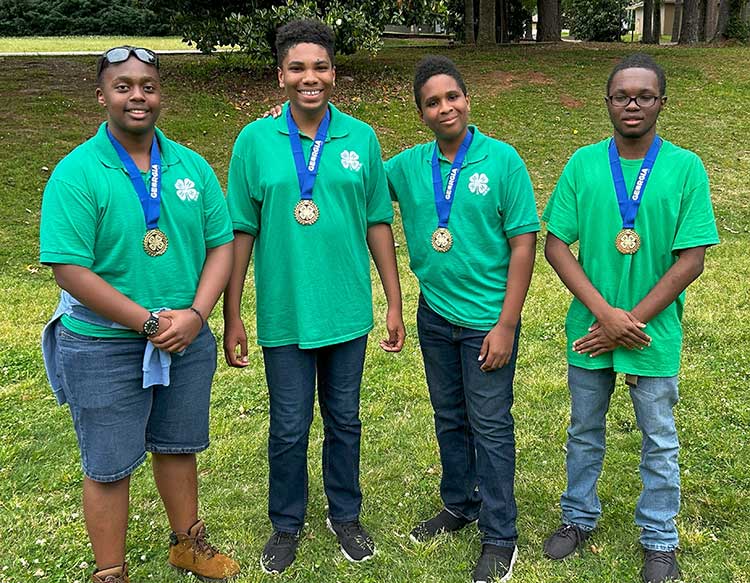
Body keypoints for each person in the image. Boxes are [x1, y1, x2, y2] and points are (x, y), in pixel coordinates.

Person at [39, 46, 240, 583]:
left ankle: (187, 545)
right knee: (107, 466)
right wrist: (147, 323)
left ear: (160, 95)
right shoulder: (79, 172)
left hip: (184, 336)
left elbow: (221, 244)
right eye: (123, 85)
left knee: (178, 446)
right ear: (102, 95)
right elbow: (69, 268)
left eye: (147, 86)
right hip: (103, 343)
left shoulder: (190, 166)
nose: (137, 96)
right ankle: (110, 572)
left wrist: (197, 316)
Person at [223, 20, 405, 575]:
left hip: (346, 309)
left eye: (320, 67)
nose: (311, 78)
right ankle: (286, 523)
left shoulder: (361, 139)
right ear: (281, 75)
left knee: (344, 420)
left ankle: (345, 515)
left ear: (333, 72)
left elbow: (377, 222)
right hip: (284, 311)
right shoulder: (254, 142)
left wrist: (393, 301)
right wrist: (231, 313)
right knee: (288, 424)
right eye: (298, 67)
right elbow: (240, 232)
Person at [541, 53, 719, 583]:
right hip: (591, 332)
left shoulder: (685, 167)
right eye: (623, 95)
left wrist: (631, 320)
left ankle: (660, 538)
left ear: (662, 102)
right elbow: (555, 245)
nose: (633, 103)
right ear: (608, 103)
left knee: (659, 438)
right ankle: (578, 517)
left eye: (645, 95)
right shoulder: (582, 164)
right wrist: (604, 315)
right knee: (584, 430)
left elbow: (692, 259)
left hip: (652, 334)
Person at [385, 55, 539, 583]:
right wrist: (281, 118)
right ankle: (460, 502)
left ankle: (500, 535)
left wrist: (507, 325)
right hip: (435, 316)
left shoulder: (502, 161)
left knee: (491, 424)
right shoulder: (406, 167)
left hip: (487, 320)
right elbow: (350, 183)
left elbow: (524, 244)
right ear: (421, 113)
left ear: (467, 100)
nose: (445, 107)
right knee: (450, 415)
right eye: (432, 102)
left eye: (452, 96)